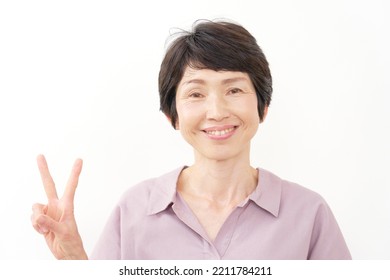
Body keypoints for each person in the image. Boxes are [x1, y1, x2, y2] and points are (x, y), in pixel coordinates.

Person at [31, 19, 351, 260]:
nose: (216, 111)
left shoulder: (309, 214)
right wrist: (75, 261)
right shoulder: (133, 210)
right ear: (173, 115)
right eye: (196, 93)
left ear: (262, 106)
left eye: (234, 90)